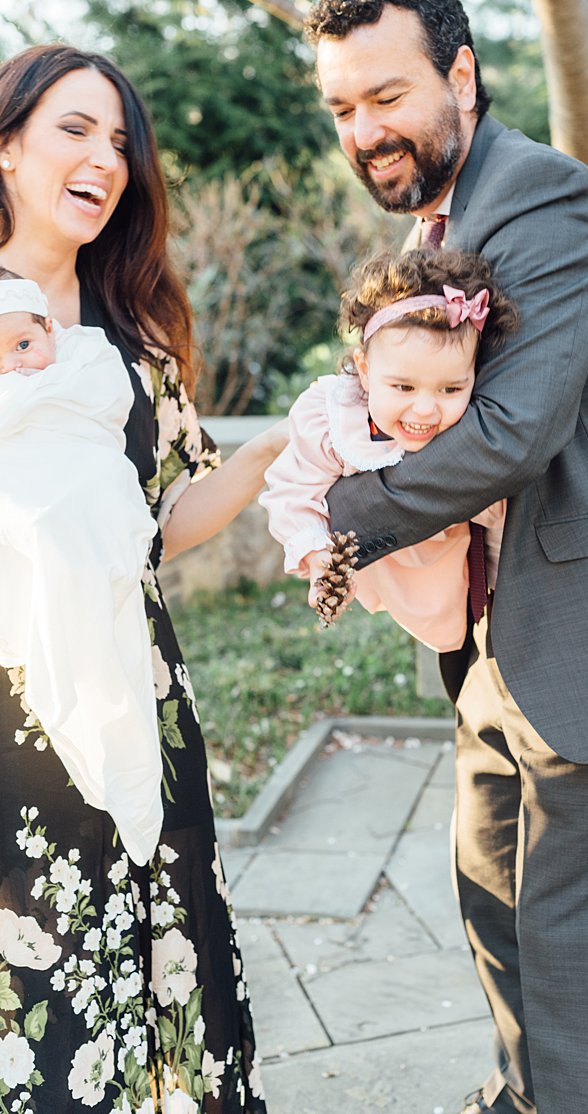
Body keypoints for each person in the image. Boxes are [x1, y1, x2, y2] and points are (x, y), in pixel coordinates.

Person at [304, 3, 588, 1112]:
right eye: (343, 108)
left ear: (461, 75)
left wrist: (340, 508)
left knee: (575, 962)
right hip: (502, 641)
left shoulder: (538, 197)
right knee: (496, 910)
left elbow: (512, 433)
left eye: (387, 96)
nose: (365, 131)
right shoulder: (443, 227)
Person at [0, 45, 286, 1111]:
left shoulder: (138, 328)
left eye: (121, 141)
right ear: (8, 147)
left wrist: (267, 457)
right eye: (75, 129)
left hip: (141, 688)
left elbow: (165, 522)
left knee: (157, 952)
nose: (106, 158)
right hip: (8, 701)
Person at [261, 248, 513, 649]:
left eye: (451, 388)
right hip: (391, 574)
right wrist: (319, 559)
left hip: (467, 585)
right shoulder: (334, 420)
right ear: (364, 369)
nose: (426, 409)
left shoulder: (477, 422)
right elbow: (292, 492)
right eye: (403, 387)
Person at [0, 271, 162, 866]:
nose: (17, 368)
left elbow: (99, 412)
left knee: (105, 651)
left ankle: (125, 772)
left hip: (95, 508)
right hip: (40, 524)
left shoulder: (86, 356)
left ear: (50, 330)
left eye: (23, 345)